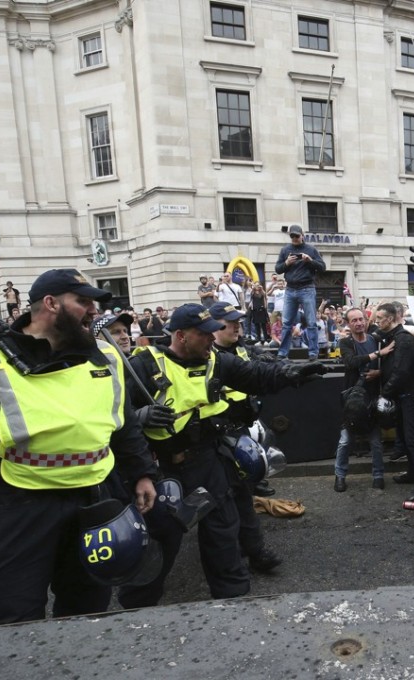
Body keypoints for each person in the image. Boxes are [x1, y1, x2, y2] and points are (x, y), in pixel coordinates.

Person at [0, 269, 158, 628]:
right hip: (17, 501)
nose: (93, 312)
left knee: (88, 609)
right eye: (82, 302)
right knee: (8, 617)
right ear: (50, 304)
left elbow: (122, 424)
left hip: (94, 496)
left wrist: (143, 472)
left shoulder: (105, 356)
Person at [117, 304, 326, 608]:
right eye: (203, 334)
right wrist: (140, 416)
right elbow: (112, 417)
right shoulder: (143, 367)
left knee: (223, 532)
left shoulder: (216, 360)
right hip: (165, 469)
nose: (210, 339)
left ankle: (233, 602)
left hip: (209, 460)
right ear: (181, 336)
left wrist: (291, 373)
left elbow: (255, 374)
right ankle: (136, 611)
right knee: (162, 541)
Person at [208, 302, 282, 571]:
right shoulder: (204, 355)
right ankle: (225, 558)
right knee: (219, 500)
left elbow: (271, 368)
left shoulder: (245, 349)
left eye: (238, 320)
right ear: (214, 326)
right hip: (210, 436)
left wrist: (294, 371)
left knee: (242, 495)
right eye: (230, 322)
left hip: (241, 431)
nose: (237, 325)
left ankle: (254, 552)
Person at [374, 303, 414, 503]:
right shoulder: (393, 338)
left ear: (390, 319)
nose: (376, 321)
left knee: (412, 438)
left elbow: (401, 372)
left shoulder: (403, 340)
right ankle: (413, 474)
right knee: (405, 438)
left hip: (405, 395)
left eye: (379, 318)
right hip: (399, 395)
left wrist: (385, 393)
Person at [334, 307, 392, 491]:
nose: (359, 323)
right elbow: (351, 362)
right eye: (354, 320)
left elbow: (387, 365)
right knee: (345, 441)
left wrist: (379, 372)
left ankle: (378, 475)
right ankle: (340, 476)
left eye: (361, 319)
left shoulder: (375, 339)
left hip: (372, 398)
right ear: (348, 324)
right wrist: (377, 354)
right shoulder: (345, 342)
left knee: (375, 441)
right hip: (352, 400)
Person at [275, 225, 326, 359]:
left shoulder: (311, 249)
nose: (295, 238)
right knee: (286, 323)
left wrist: (310, 261)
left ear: (302, 235)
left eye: (297, 236)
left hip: (307, 288)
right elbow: (278, 269)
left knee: (311, 322)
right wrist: (286, 263)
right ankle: (283, 352)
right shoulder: (285, 250)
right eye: (292, 236)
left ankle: (313, 352)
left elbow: (322, 268)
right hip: (290, 289)